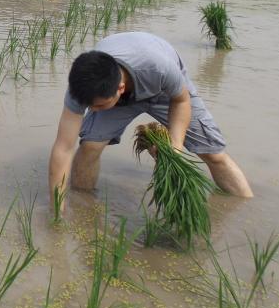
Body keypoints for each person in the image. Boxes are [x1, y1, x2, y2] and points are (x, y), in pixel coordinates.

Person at [48, 31, 252, 207]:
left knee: (214, 154)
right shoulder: (82, 88)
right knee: (90, 146)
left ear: (119, 89)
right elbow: (63, 147)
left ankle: (245, 204)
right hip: (112, 91)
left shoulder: (159, 67)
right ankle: (83, 202)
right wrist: (58, 205)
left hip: (166, 91)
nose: (92, 110)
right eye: (89, 105)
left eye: (98, 106)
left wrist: (176, 146)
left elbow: (181, 100)